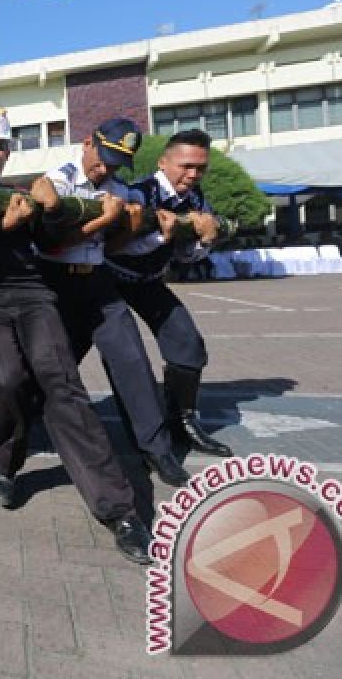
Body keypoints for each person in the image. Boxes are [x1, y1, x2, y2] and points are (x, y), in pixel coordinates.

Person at [0, 112, 151, 563]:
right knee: (5, 381)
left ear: (7, 153)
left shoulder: (22, 190)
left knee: (64, 386)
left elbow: (52, 244)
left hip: (34, 293)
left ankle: (120, 510)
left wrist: (56, 210)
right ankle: (3, 461)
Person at [36, 118, 189, 487]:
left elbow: (112, 248)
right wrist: (104, 218)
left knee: (132, 359)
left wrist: (136, 231)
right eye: (103, 158)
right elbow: (51, 244)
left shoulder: (124, 191)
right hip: (56, 286)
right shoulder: (58, 182)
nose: (105, 168)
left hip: (99, 284)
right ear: (87, 142)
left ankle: (155, 448)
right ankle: (1, 436)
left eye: (117, 162)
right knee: (43, 370)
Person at [105, 129, 232, 457]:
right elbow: (116, 247)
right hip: (106, 281)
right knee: (64, 356)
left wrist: (204, 240)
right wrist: (163, 236)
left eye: (200, 168)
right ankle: (8, 426)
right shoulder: (136, 193)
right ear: (163, 162)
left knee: (187, 342)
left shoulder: (197, 199)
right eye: (185, 166)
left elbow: (183, 257)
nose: (192, 175)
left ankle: (182, 422)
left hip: (149, 282)